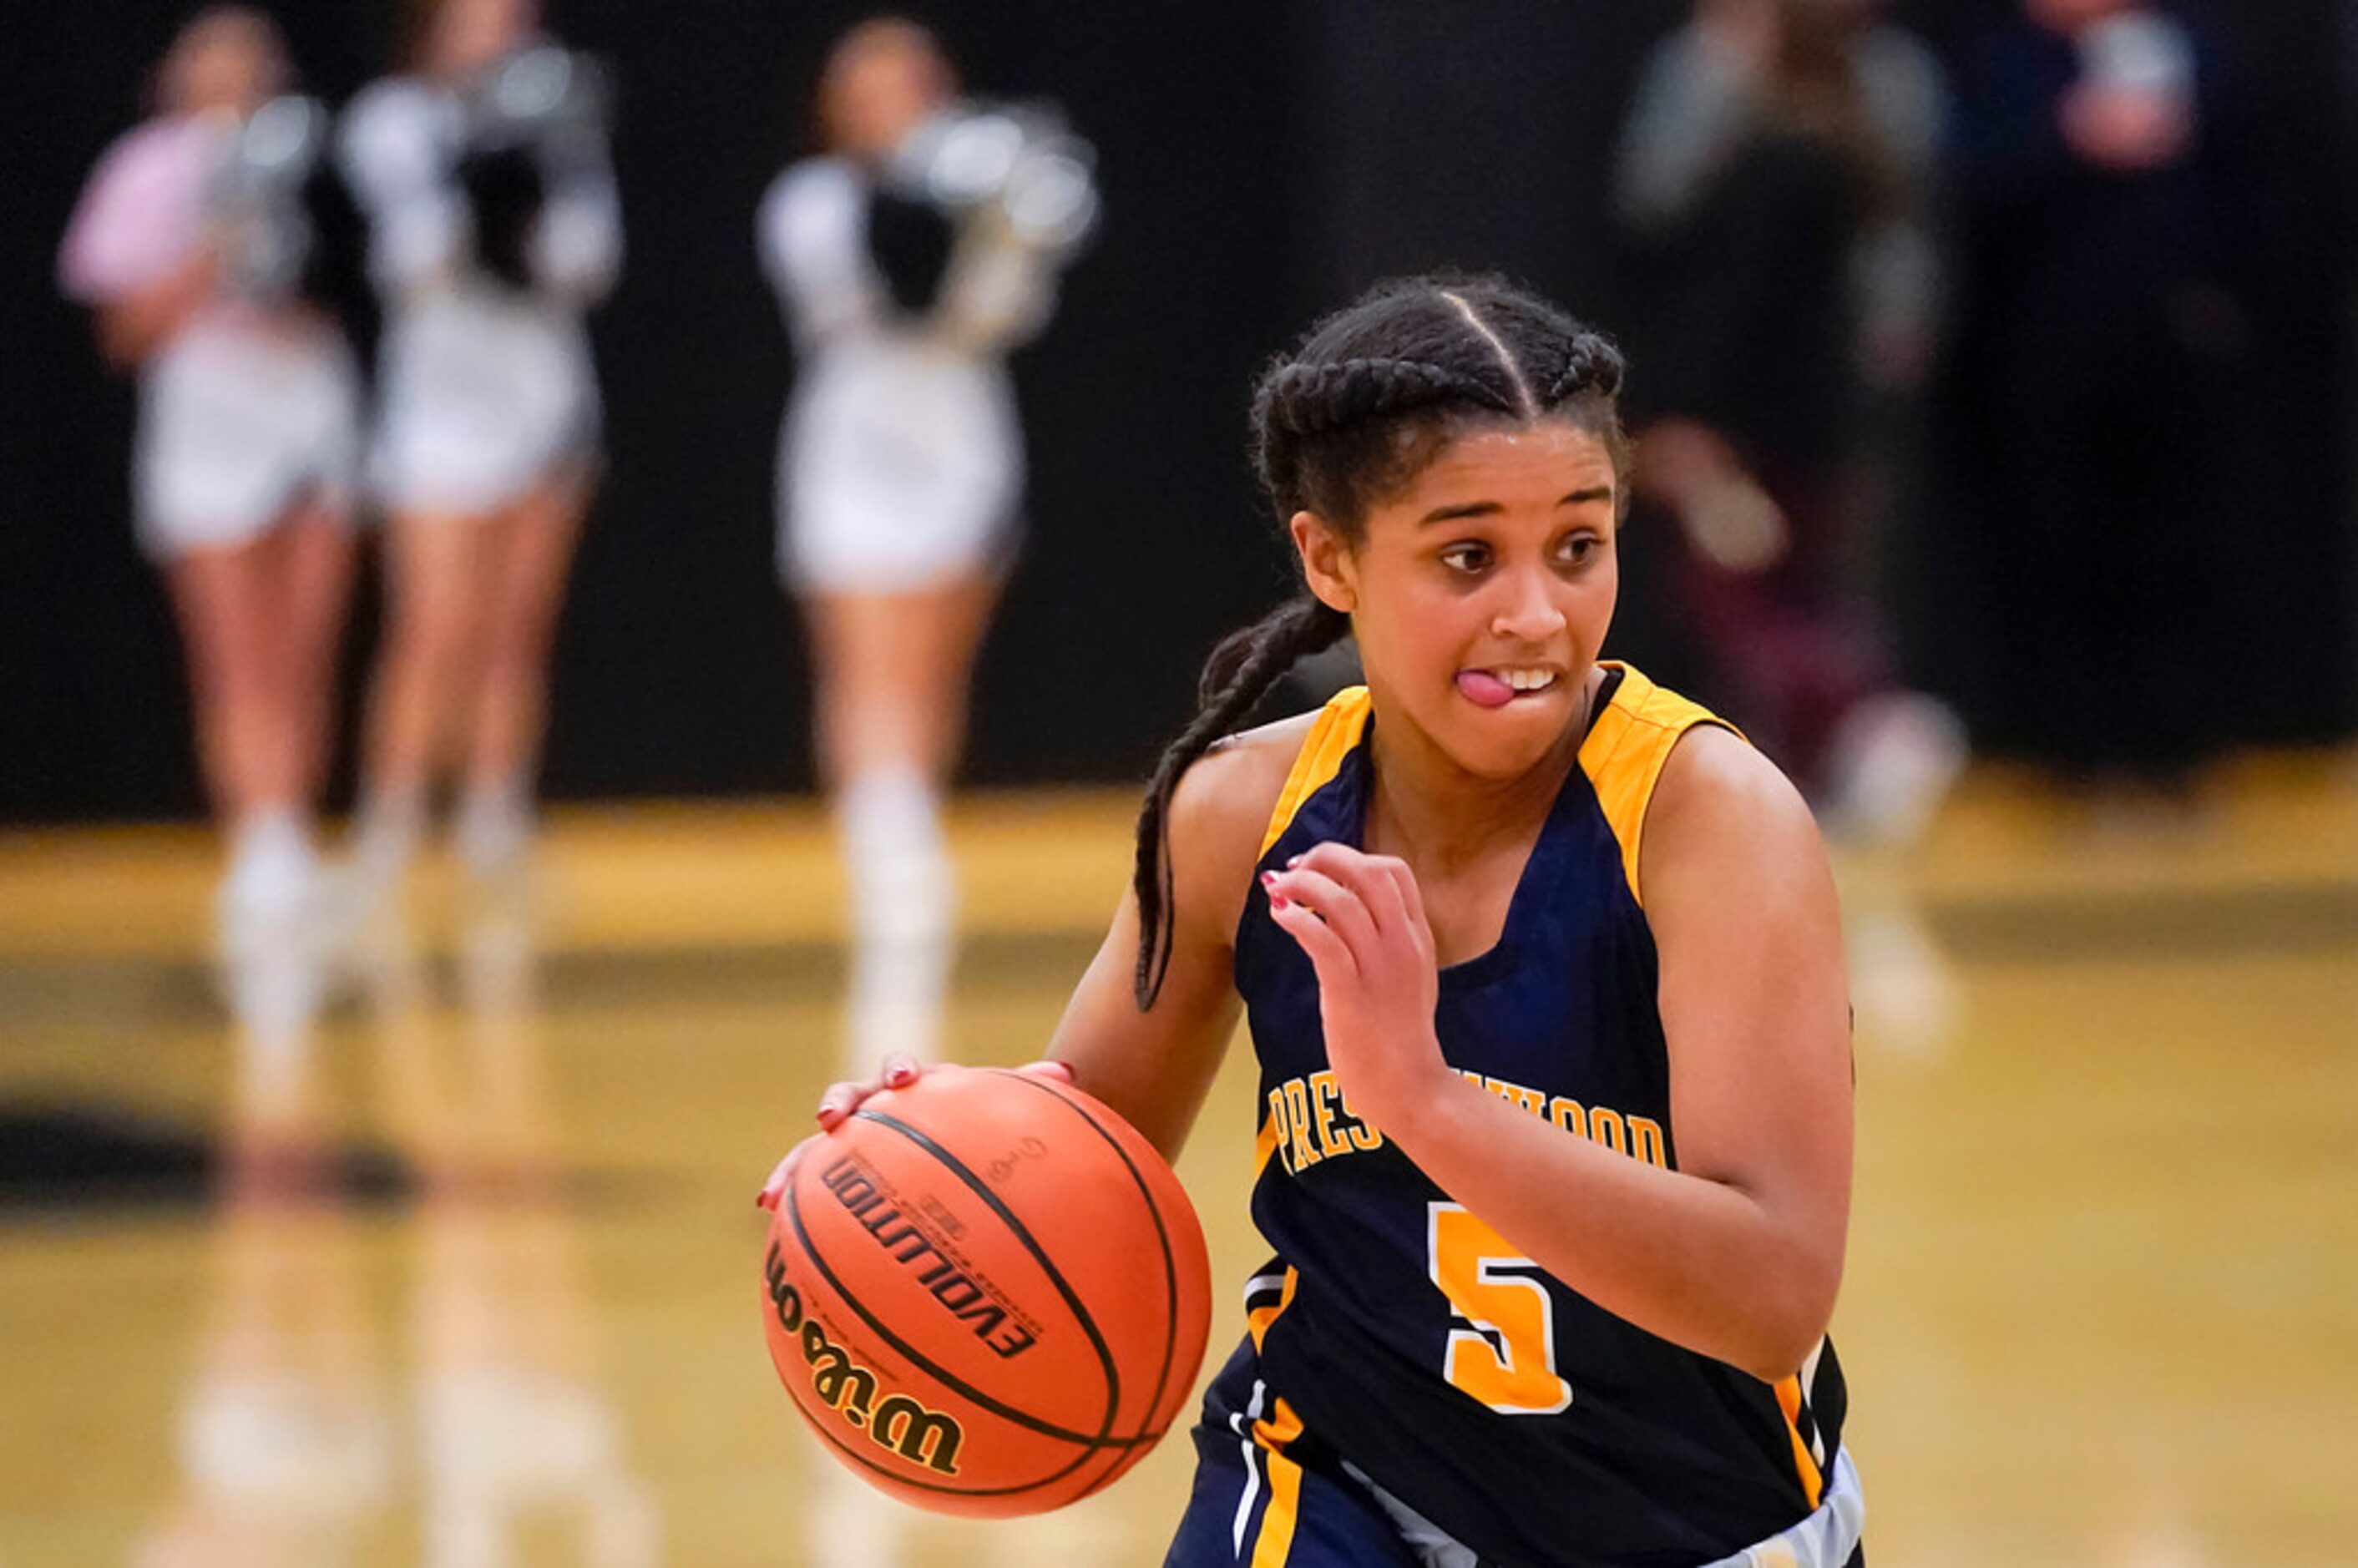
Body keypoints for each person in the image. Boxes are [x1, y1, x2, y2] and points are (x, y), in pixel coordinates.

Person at [763, 276, 1863, 1567]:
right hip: (1328, 1478)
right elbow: (1075, 1152)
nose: (1536, 613)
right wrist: (900, 1172)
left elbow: (1775, 1294)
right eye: (1467, 555)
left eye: (1579, 544)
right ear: (1329, 558)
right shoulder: (1240, 814)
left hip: (1683, 1519)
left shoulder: (1706, 820)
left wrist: (1428, 1102)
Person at [758, 18, 1096, 1077]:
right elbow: (883, 287)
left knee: (931, 668)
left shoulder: (985, 179)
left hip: (958, 433)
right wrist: (949, 198)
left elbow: (999, 308)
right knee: (865, 662)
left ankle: (909, 844)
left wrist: (1004, 215)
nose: (895, 100)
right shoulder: (808, 201)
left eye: (911, 80)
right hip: (853, 435)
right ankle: (892, 876)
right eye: (871, 83)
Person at [1614, 0, 1964, 845]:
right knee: (1791, 587)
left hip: (1749, 428)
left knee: (1734, 591)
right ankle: (1820, 756)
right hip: (1813, 422)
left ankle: (1865, 720)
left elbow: (1726, 304)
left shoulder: (1771, 164)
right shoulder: (1838, 151)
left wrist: (1682, 419)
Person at [58, 7, 361, 955]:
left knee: (305, 647)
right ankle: (258, 849)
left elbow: (357, 274)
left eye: (252, 59)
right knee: (235, 657)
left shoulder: (314, 152)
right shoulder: (146, 170)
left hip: (309, 407)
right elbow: (121, 331)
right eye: (214, 59)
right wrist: (218, 244)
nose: (235, 75)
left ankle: (295, 837)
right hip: (208, 419)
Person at [337, 0, 620, 898]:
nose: (497, 44)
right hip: (437, 412)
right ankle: (389, 827)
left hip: (542, 403)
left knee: (515, 625)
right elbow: (408, 259)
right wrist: (475, 185)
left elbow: (589, 257)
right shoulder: (393, 120)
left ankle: (494, 820)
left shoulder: (556, 118)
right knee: (433, 624)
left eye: (512, 26)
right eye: (475, 24)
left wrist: (527, 210)